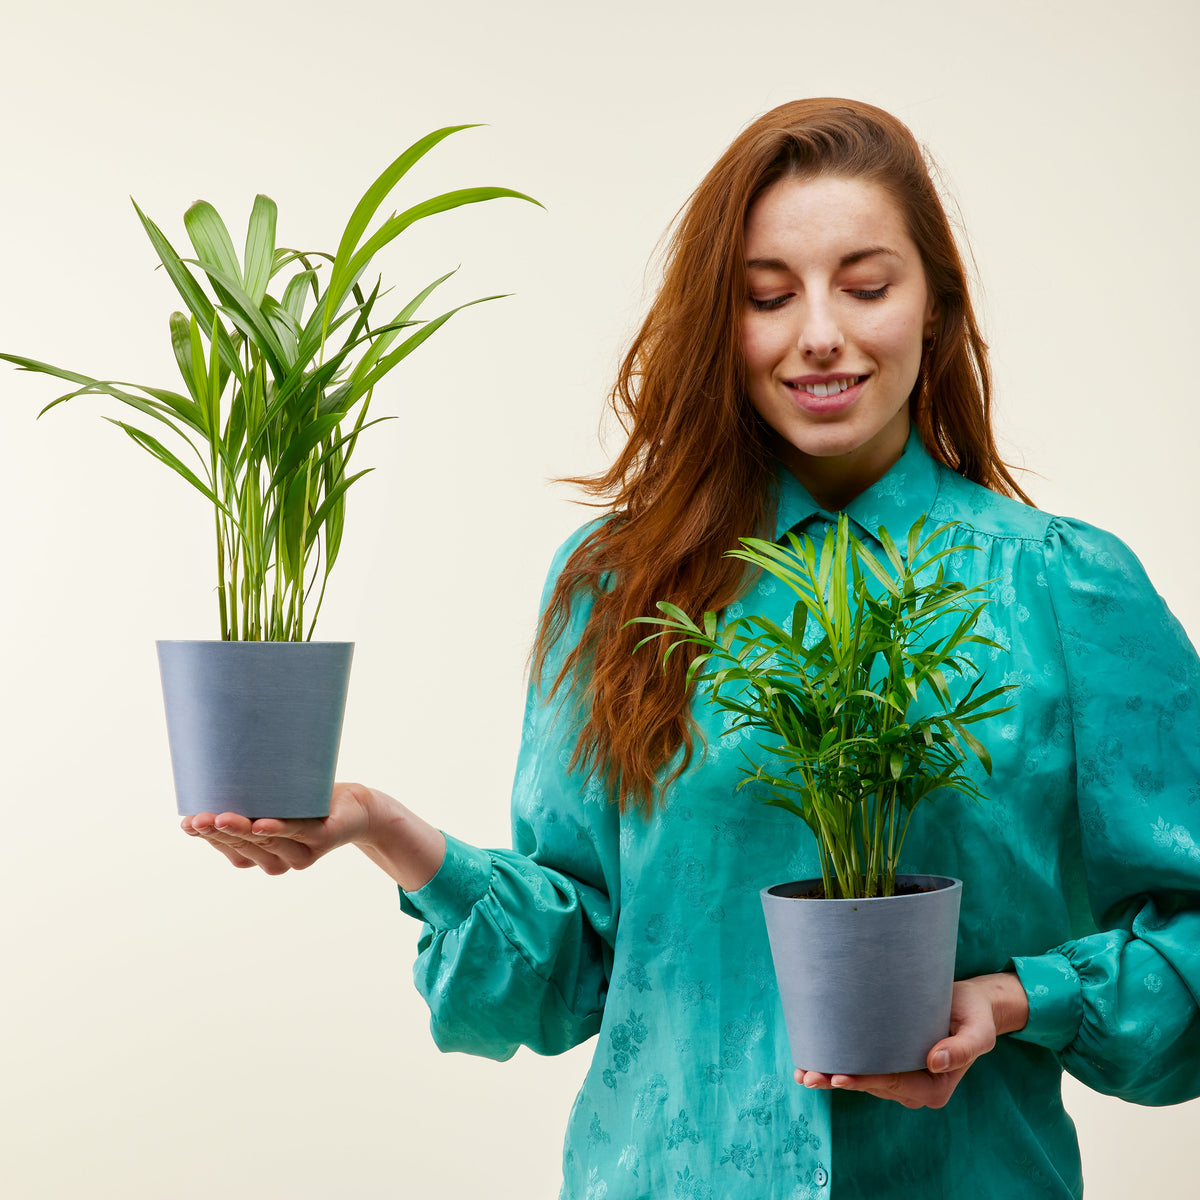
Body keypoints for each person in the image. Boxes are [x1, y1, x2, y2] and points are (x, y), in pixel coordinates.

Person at [183, 99, 1200, 1199]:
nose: (820, 333)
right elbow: (573, 972)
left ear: (937, 310)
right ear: (722, 325)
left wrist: (1016, 998)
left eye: (866, 286)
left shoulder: (1059, 586)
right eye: (768, 296)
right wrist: (383, 830)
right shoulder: (621, 586)